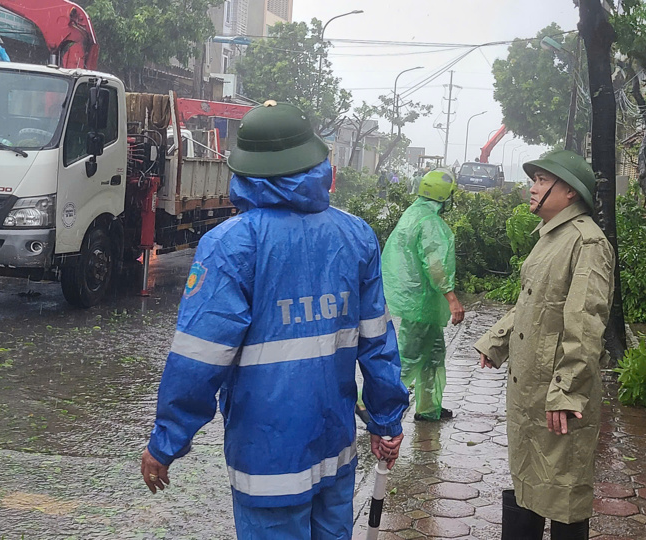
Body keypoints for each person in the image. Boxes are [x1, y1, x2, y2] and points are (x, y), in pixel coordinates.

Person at [140, 101, 410, 539]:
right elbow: (377, 341)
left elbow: (199, 359)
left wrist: (165, 443)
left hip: (268, 461)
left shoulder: (230, 245)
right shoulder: (356, 234)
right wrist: (386, 421)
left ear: (244, 171)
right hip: (335, 451)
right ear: (319, 164)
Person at [474, 150, 614, 540]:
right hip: (531, 387)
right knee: (529, 482)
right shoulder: (552, 236)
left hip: (557, 392)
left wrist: (568, 391)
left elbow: (586, 322)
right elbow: (533, 303)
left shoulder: (586, 243)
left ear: (569, 191)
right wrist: (496, 341)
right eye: (534, 180)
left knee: (564, 492)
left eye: (540, 180)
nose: (532, 189)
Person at [381, 167, 465, 421]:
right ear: (444, 196)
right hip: (422, 302)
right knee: (410, 358)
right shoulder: (430, 222)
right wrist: (452, 300)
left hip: (418, 300)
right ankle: (369, 402)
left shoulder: (413, 214)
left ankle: (429, 409)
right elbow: (435, 265)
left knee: (433, 354)